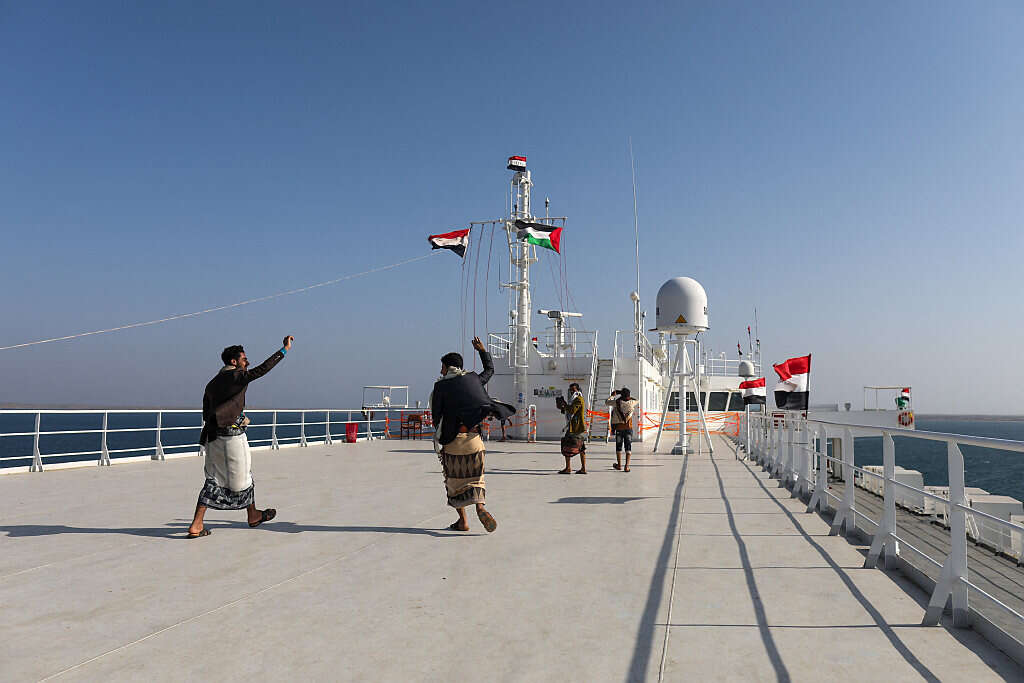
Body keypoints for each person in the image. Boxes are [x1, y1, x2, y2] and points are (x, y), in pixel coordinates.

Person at [186, 336, 293, 539]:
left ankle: (204, 523)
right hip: (231, 437)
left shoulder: (212, 383)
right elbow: (262, 369)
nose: (247, 362)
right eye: (244, 359)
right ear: (234, 362)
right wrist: (284, 349)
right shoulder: (236, 376)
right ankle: (247, 516)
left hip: (212, 436)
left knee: (213, 478)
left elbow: (206, 412)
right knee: (244, 477)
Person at [431, 336, 514, 532]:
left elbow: (436, 417)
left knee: (453, 482)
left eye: (442, 367)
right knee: (477, 478)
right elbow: (490, 370)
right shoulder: (474, 379)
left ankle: (463, 521)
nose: (441, 371)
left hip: (454, 443)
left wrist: (442, 436)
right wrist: (482, 350)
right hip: (475, 441)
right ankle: (480, 507)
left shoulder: (440, 386)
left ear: (448, 367)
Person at [606, 387, 639, 472]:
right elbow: (637, 400)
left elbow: (607, 402)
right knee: (628, 447)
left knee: (618, 447)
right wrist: (628, 396)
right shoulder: (631, 403)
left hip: (619, 429)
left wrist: (613, 396)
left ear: (621, 395)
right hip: (628, 428)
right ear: (628, 396)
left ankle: (619, 465)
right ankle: (627, 466)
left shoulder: (617, 402)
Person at [558, 382, 587, 474]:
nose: (571, 392)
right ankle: (583, 468)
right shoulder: (574, 400)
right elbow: (569, 410)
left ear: (578, 390)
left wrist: (565, 404)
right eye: (570, 390)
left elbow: (572, 410)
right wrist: (564, 406)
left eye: (573, 390)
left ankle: (568, 468)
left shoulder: (578, 399)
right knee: (581, 447)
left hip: (575, 427)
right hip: (576, 427)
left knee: (567, 445)